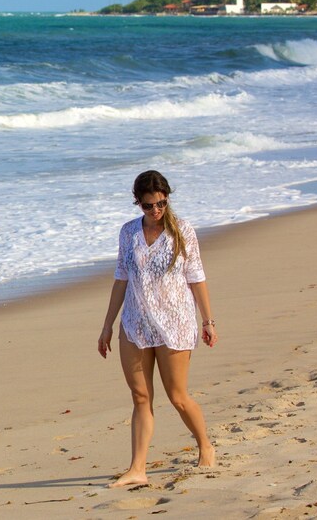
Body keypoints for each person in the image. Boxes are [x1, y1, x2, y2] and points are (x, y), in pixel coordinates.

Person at [98, 170, 217, 488]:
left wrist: (207, 321)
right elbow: (121, 279)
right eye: (149, 206)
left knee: (177, 396)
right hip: (135, 325)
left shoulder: (182, 232)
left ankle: (205, 445)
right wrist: (107, 326)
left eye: (161, 203)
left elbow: (196, 277)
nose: (156, 211)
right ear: (138, 203)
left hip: (174, 324)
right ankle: (137, 468)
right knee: (140, 397)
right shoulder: (128, 233)